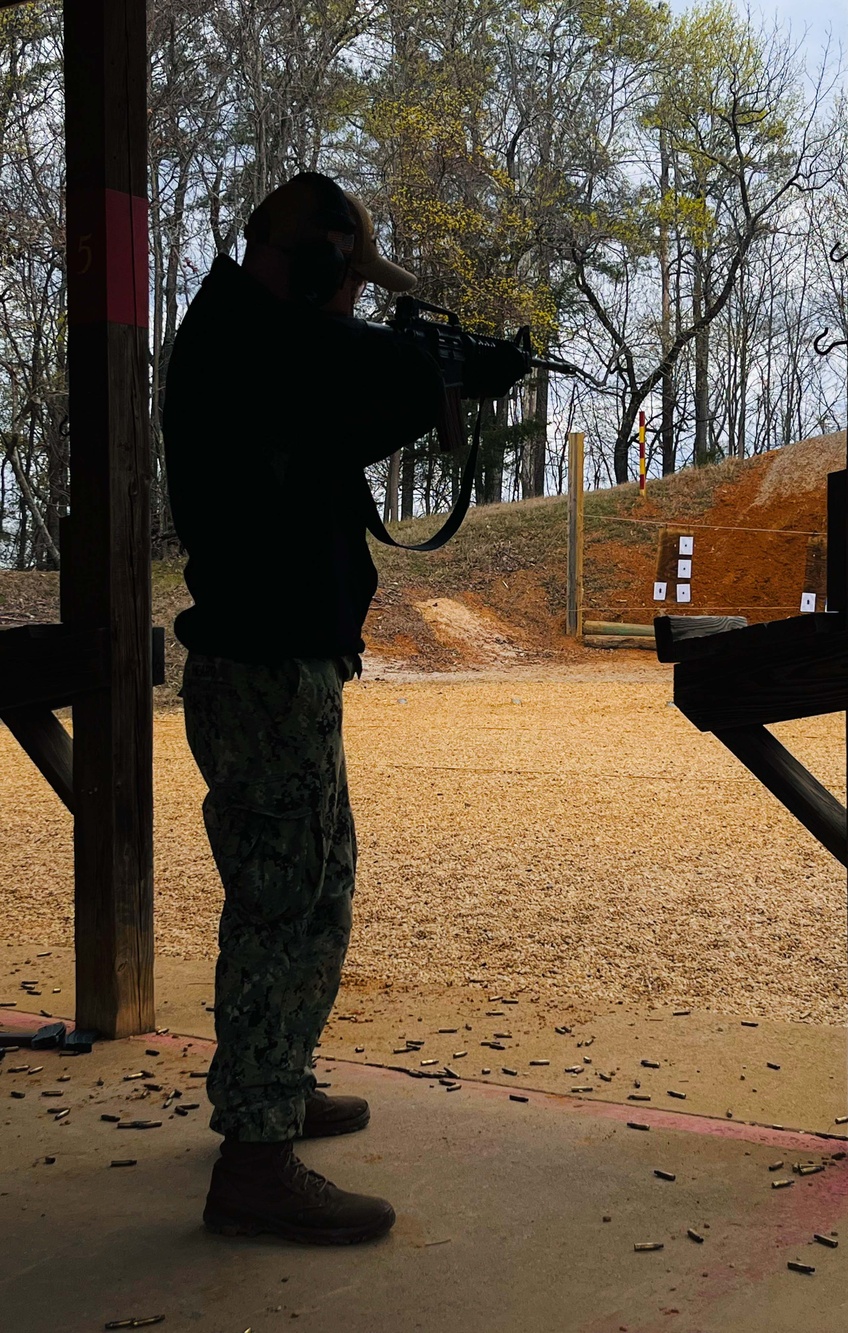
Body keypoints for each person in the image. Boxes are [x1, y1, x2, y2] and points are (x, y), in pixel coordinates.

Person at [163, 173, 518, 1246]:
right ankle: (254, 1158)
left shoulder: (262, 350)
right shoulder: (248, 340)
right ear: (307, 264)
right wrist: (441, 370)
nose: (355, 302)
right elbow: (353, 372)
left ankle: (271, 1085)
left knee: (311, 891)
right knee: (286, 902)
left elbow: (344, 404)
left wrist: (439, 377)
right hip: (265, 669)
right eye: (346, 279)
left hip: (282, 669)